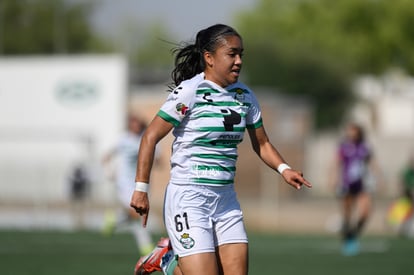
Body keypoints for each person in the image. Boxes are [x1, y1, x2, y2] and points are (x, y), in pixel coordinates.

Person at [130, 24, 312, 275]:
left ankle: (169, 258)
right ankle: (168, 261)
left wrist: (284, 169)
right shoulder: (190, 92)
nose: (239, 61)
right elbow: (150, 136)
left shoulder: (245, 96)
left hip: (226, 200)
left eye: (241, 55)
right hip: (188, 198)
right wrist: (141, 189)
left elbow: (262, 143)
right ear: (209, 58)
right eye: (232, 54)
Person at [102, 114, 155, 256]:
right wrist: (109, 172)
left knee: (137, 216)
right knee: (137, 212)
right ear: (130, 125)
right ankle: (146, 245)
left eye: (137, 123)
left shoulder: (146, 137)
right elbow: (106, 156)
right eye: (133, 123)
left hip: (140, 183)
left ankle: (116, 220)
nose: (136, 126)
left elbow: (158, 156)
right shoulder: (123, 139)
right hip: (124, 182)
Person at [334, 123, 373, 256]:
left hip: (362, 184)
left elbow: (371, 163)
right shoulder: (344, 147)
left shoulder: (364, 147)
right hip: (347, 184)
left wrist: (379, 178)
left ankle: (353, 234)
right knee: (347, 214)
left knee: (365, 212)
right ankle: (348, 238)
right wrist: (333, 178)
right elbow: (336, 163)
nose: (352, 134)